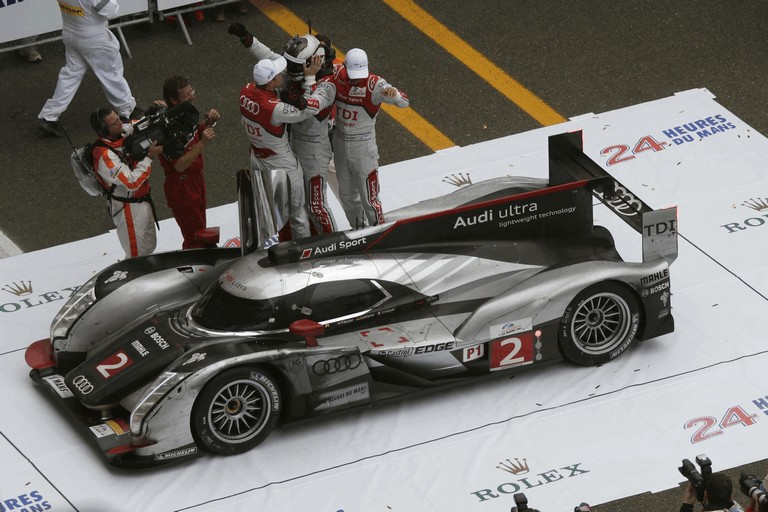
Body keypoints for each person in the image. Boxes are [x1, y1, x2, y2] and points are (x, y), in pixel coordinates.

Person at [228, 24, 340, 234]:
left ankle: (333, 244)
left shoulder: (327, 82)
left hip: (316, 148)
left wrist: (308, 80)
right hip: (292, 144)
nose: (287, 69)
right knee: (297, 207)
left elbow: (309, 108)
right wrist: (247, 38)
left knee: (316, 204)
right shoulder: (294, 72)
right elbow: (269, 57)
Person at [239, 56, 317, 241]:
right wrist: (310, 80)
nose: (282, 73)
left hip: (257, 158)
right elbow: (305, 111)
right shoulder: (274, 108)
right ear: (270, 82)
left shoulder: (245, 91)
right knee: (297, 213)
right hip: (281, 163)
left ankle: (270, 250)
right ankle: (304, 254)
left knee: (267, 212)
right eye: (278, 73)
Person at [330, 47, 409, 228]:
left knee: (369, 196)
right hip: (340, 144)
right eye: (353, 72)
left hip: (363, 146)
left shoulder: (375, 85)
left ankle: (378, 231)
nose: (357, 77)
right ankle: (358, 230)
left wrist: (394, 94)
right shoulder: (337, 74)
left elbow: (405, 102)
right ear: (344, 65)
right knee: (347, 195)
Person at [38, 0, 138, 137]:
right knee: (111, 75)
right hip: (94, 37)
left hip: (70, 32)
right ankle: (127, 112)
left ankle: (48, 116)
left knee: (70, 75)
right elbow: (112, 11)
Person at [90, 107, 162, 258]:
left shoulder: (121, 130)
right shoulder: (104, 156)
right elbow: (131, 181)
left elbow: (139, 124)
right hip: (128, 208)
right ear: (104, 130)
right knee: (135, 255)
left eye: (118, 118)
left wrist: (155, 112)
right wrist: (149, 157)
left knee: (149, 247)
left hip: (143, 200)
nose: (120, 123)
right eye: (115, 122)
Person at [158, 76, 219, 249]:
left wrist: (209, 123)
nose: (192, 97)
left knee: (201, 230)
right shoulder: (166, 128)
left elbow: (192, 135)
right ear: (173, 99)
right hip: (182, 187)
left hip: (195, 181)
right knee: (195, 238)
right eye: (187, 95)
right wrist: (203, 143)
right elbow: (179, 165)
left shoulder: (185, 114)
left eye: (191, 92)